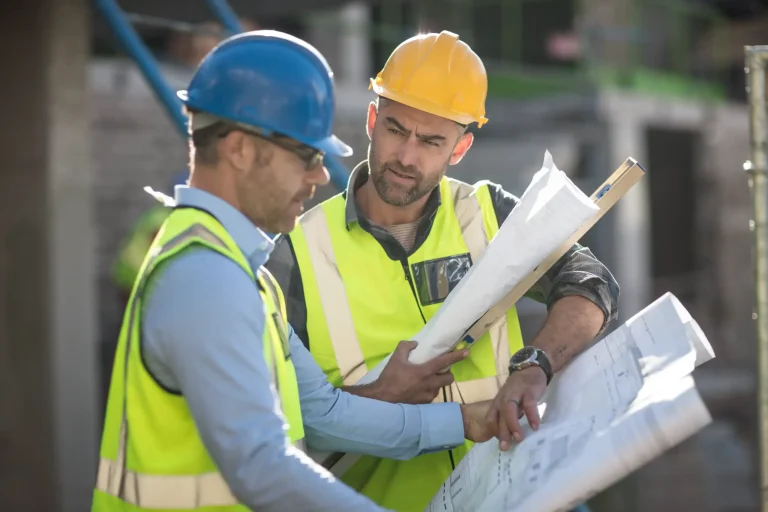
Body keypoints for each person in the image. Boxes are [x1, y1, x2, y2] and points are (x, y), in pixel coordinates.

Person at [92, 30, 499, 512]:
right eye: (306, 155)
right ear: (240, 149)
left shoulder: (243, 273)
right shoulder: (206, 280)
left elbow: (323, 412)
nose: (321, 175)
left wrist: (467, 422)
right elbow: (262, 467)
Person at [265, 30, 620, 512]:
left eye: (431, 141)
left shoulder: (489, 213)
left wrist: (536, 366)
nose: (407, 157)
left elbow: (590, 283)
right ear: (372, 118)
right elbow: (278, 422)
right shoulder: (296, 251)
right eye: (395, 129)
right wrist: (377, 396)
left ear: (460, 148)